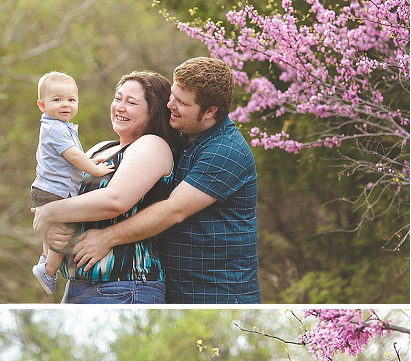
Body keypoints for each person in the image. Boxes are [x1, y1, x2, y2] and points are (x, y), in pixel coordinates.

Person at [69, 58, 260, 304]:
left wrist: (107, 238)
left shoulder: (226, 151)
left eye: (182, 102)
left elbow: (173, 210)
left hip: (216, 292)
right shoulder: (183, 137)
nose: (170, 105)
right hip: (174, 287)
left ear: (210, 111)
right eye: (172, 96)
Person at [33, 71, 175, 305]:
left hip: (125, 284)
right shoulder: (100, 149)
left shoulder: (152, 145)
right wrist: (47, 228)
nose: (120, 107)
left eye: (131, 102)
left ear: (153, 109)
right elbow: (68, 199)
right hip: (78, 285)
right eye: (118, 98)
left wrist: (48, 213)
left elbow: (114, 201)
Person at [29, 71, 95, 295]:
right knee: (64, 231)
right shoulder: (56, 128)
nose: (65, 104)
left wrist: (91, 160)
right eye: (57, 100)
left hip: (47, 188)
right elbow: (74, 157)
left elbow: (76, 156)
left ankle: (44, 258)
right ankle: (49, 269)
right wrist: (95, 168)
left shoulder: (59, 126)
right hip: (56, 190)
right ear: (42, 105)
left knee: (52, 228)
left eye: (71, 100)